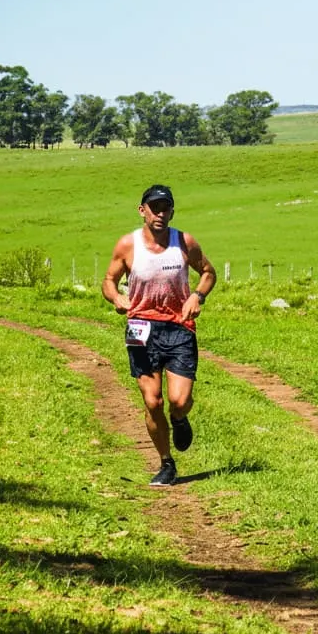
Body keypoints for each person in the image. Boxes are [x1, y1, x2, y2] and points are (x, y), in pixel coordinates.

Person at [101, 184, 217, 486]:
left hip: (179, 327)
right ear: (143, 211)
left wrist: (197, 296)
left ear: (172, 212)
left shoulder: (184, 242)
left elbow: (208, 272)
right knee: (152, 401)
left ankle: (179, 418)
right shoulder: (128, 245)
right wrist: (116, 297)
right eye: (155, 208)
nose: (160, 214)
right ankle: (166, 463)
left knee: (179, 400)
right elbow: (109, 280)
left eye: (166, 208)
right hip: (141, 329)